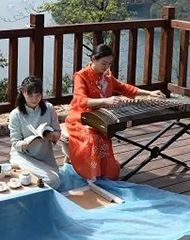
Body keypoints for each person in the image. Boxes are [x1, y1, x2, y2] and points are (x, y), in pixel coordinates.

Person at [66, 43, 166, 180]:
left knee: (103, 137)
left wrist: (149, 93)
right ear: (93, 59)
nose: (106, 67)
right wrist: (106, 101)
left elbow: (124, 88)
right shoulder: (81, 76)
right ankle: (90, 173)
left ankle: (102, 172)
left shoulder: (106, 75)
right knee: (92, 138)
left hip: (102, 116)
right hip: (81, 116)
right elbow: (81, 101)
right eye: (103, 63)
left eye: (109, 64)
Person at [8, 76, 62, 189]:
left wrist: (50, 136)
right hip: (23, 156)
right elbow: (16, 143)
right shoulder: (16, 114)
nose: (34, 99)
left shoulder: (49, 108)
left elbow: (57, 132)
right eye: (30, 95)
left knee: (56, 180)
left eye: (38, 95)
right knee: (52, 180)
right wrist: (30, 141)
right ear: (23, 93)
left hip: (44, 156)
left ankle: (26, 180)